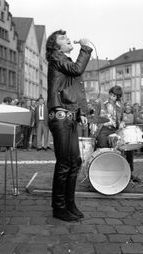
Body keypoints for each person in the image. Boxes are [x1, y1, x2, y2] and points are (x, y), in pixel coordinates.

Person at [46, 30, 92, 221]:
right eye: (62, 38)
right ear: (56, 46)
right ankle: (59, 207)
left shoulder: (64, 60)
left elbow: (73, 89)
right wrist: (86, 48)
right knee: (65, 162)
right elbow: (77, 70)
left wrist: (81, 112)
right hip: (60, 115)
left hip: (69, 116)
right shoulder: (56, 57)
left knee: (75, 162)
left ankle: (69, 203)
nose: (67, 38)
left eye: (67, 37)